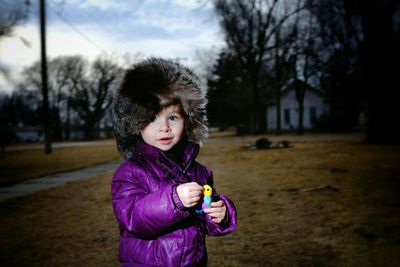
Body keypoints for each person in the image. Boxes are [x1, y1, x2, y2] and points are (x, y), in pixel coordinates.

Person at [111, 57, 237, 267]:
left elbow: (205, 216)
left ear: (188, 120)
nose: (164, 128)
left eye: (173, 118)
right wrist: (174, 200)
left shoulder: (200, 172)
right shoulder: (129, 172)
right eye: (152, 119)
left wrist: (220, 213)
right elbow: (133, 218)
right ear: (135, 125)